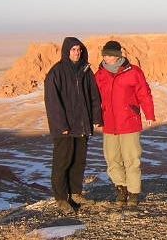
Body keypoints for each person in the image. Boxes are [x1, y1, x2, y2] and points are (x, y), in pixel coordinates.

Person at [44, 37, 102, 213]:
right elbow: (52, 102)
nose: (77, 53)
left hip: (81, 125)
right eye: (73, 50)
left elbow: (94, 95)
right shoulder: (57, 72)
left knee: (78, 161)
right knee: (63, 162)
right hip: (65, 128)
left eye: (79, 49)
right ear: (66, 51)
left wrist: (96, 117)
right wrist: (61, 124)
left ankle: (75, 193)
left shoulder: (85, 70)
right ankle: (61, 198)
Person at [95, 40, 155, 207]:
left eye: (111, 54)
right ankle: (121, 188)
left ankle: (134, 193)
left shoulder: (133, 72)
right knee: (112, 159)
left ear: (118, 55)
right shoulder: (99, 74)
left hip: (129, 123)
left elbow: (144, 93)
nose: (107, 57)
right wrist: (95, 117)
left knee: (132, 159)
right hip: (109, 124)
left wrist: (149, 113)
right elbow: (94, 98)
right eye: (105, 54)